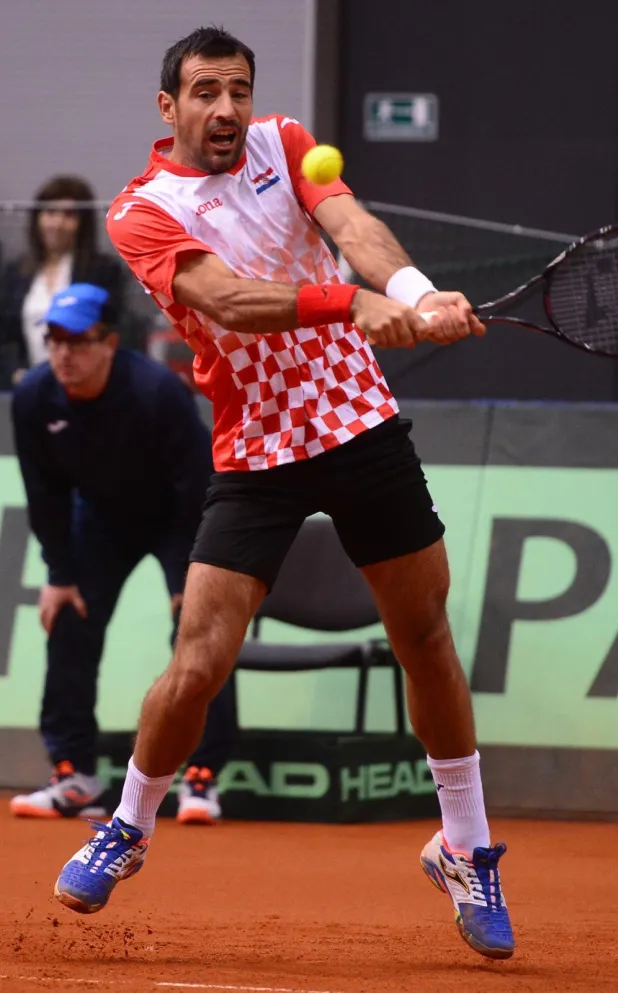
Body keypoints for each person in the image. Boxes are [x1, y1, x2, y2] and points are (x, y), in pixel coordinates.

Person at [53, 26, 515, 960]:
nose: (226, 110)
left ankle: (465, 846)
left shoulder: (289, 143)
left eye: (239, 91)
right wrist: (352, 304)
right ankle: (131, 821)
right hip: (256, 449)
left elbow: (351, 229)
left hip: (360, 426)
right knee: (199, 660)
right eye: (206, 93)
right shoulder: (139, 211)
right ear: (168, 107)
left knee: (424, 633)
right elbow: (223, 298)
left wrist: (417, 292)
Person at [11, 282, 237, 827]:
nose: (63, 353)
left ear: (110, 342)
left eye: (78, 341)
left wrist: (191, 569)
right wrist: (60, 573)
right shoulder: (34, 397)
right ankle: (73, 773)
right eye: (54, 340)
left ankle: (201, 776)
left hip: (178, 520)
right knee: (67, 617)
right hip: (102, 520)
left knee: (200, 630)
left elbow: (197, 482)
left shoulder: (157, 391)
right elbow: (44, 493)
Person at [0, 176, 124, 388]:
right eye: (50, 212)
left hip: (87, 383)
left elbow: (112, 328)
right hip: (29, 384)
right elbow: (7, 334)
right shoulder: (16, 271)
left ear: (82, 223)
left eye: (68, 215)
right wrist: (16, 373)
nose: (57, 223)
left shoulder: (102, 269)